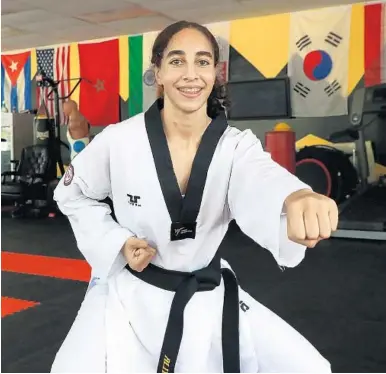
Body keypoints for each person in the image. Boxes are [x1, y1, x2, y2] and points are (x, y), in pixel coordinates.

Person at [51, 21, 338, 373]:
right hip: (130, 293)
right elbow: (72, 194)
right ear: (157, 71)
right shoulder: (120, 140)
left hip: (206, 294)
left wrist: (295, 197)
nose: (191, 74)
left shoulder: (235, 146)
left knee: (310, 367)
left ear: (216, 72)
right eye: (177, 61)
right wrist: (118, 242)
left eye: (202, 62)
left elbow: (261, 178)